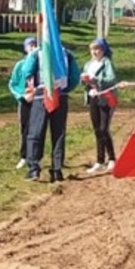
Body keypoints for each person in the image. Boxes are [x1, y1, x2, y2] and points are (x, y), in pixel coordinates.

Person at [22, 41, 83, 183]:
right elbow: (74, 77)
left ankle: (34, 168)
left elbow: (27, 71)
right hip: (60, 96)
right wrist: (64, 89)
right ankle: (56, 170)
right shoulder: (67, 54)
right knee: (58, 133)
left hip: (41, 96)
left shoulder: (37, 53)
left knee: (35, 132)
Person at [82, 37, 119, 173]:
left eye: (97, 49)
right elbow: (85, 82)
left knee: (104, 128)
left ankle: (112, 158)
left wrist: (96, 79)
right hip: (93, 98)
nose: (95, 52)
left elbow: (111, 79)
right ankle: (99, 160)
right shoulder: (88, 64)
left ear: (103, 50)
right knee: (97, 129)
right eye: (92, 49)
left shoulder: (107, 63)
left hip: (106, 98)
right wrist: (85, 80)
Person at [7, 37, 39, 170]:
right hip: (25, 100)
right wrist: (21, 96)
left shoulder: (41, 65)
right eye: (29, 45)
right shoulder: (20, 65)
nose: (32, 48)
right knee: (24, 128)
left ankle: (35, 156)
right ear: (25, 48)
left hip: (38, 100)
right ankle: (24, 156)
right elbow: (13, 83)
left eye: (34, 45)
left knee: (37, 129)